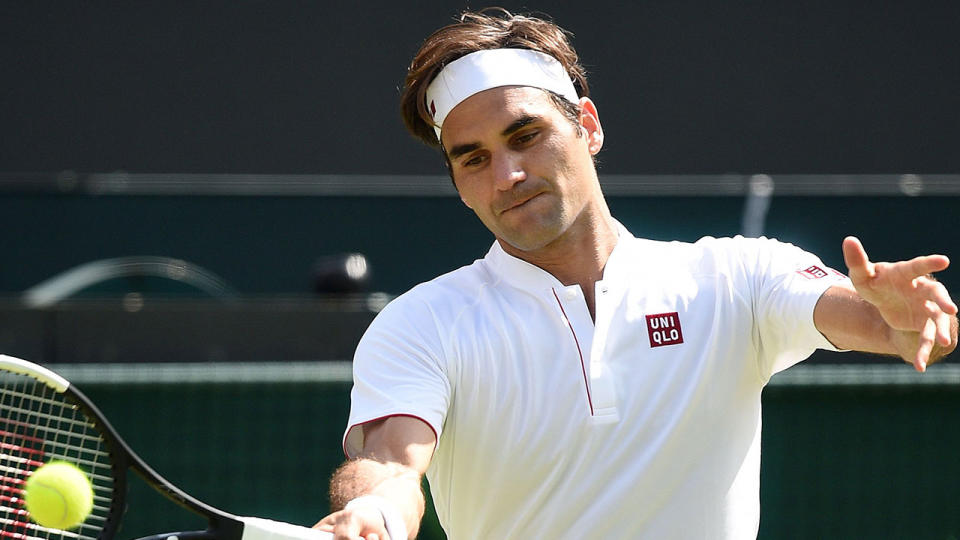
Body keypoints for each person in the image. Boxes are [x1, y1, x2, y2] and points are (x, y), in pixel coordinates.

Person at [315, 8, 958, 539]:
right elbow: (390, 468)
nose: (506, 175)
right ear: (458, 184)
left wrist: (898, 321)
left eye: (526, 135)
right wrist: (374, 513)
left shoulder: (735, 277)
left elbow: (865, 319)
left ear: (586, 126)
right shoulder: (420, 325)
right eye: (473, 158)